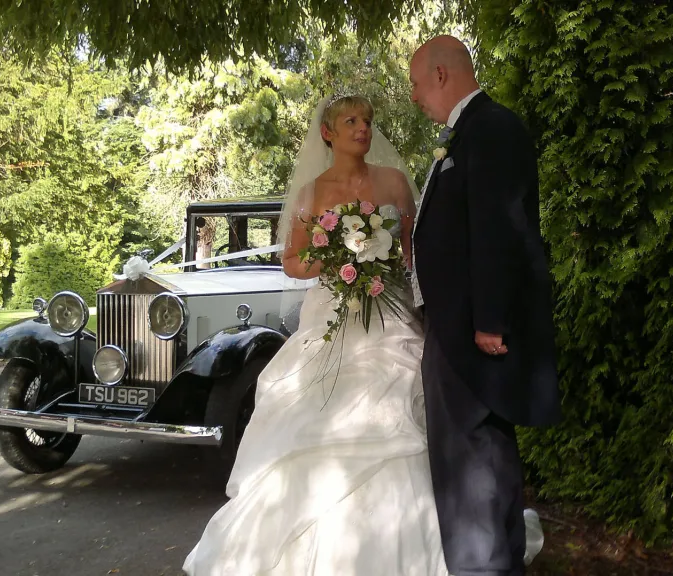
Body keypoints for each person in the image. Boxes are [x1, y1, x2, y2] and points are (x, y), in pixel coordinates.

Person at [182, 95, 448, 575]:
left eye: (367, 121)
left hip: (390, 316)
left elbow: (413, 251)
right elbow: (292, 261)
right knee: (317, 415)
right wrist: (336, 258)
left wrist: (412, 295)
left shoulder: (393, 183)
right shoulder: (311, 193)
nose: (362, 128)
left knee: (401, 406)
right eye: (351, 121)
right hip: (332, 318)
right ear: (328, 132)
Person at [409, 36, 563, 576]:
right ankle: (495, 565)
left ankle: (484, 568)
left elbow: (500, 226)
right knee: (480, 455)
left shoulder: (492, 128)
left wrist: (490, 319)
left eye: (415, 81)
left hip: (470, 330)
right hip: (455, 328)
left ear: (443, 73)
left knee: (471, 462)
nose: (413, 95)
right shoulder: (468, 133)